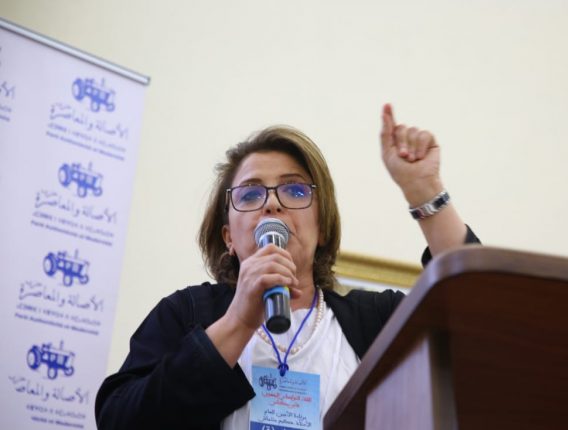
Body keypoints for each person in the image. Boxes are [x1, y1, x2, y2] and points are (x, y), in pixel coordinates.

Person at [94, 104, 480, 430]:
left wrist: (424, 190)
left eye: (295, 190)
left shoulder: (375, 322)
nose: (272, 203)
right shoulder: (186, 314)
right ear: (229, 237)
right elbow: (120, 420)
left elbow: (477, 324)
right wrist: (238, 322)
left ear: (322, 228)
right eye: (250, 193)